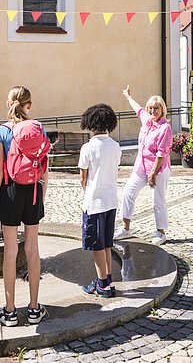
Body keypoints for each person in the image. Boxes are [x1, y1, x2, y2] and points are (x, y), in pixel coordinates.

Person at [0, 86, 48, 327]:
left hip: (10, 191)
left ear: (8, 104)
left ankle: (10, 311)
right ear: (29, 105)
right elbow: (45, 166)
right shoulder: (38, 128)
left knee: (10, 250)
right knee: (32, 249)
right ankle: (34, 308)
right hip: (33, 190)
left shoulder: (1, 132)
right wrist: (42, 196)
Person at [114, 86, 173, 246]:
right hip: (141, 167)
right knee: (128, 192)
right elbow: (138, 109)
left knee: (157, 200)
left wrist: (153, 174)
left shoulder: (165, 128)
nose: (153, 111)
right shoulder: (147, 120)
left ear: (162, 109)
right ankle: (126, 228)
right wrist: (128, 96)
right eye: (150, 108)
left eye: (156, 108)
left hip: (158, 169)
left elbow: (161, 153)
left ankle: (161, 232)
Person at [79, 103, 122, 298]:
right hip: (111, 200)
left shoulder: (88, 148)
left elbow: (83, 177)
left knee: (96, 245)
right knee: (106, 244)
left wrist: (87, 192)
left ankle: (102, 285)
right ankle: (107, 279)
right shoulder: (116, 146)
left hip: (94, 202)